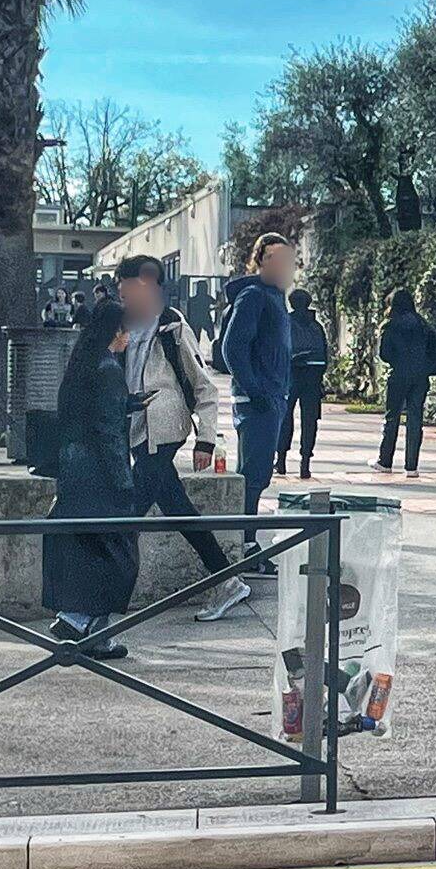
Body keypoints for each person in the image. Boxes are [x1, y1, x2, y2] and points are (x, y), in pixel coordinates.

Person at [112, 255, 246, 624]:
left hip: (166, 423)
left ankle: (99, 610)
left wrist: (205, 438)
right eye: (123, 288)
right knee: (178, 508)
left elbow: (204, 387)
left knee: (128, 516)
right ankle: (227, 579)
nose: (126, 295)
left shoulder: (172, 326)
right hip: (139, 429)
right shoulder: (124, 326)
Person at [43, 298, 138, 660]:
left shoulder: (83, 362)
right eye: (125, 329)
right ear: (115, 331)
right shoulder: (109, 369)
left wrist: (128, 403)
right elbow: (108, 431)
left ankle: (93, 632)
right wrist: (123, 480)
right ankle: (79, 619)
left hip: (74, 472)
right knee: (119, 557)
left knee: (91, 553)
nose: (129, 337)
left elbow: (85, 412)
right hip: (102, 476)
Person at [218, 231, 295, 556]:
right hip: (257, 400)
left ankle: (246, 544)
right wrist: (256, 389)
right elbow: (232, 347)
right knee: (252, 475)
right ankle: (245, 547)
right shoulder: (254, 296)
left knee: (258, 474)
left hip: (271, 398)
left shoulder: (275, 298)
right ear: (260, 261)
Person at [371, 289, 436, 478]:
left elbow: (384, 354)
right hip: (420, 377)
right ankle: (412, 466)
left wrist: (398, 360)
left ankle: (385, 461)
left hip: (399, 375)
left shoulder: (391, 325)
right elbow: (435, 350)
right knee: (415, 419)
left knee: (392, 417)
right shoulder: (423, 325)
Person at [275, 289, 328, 481]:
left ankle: (280, 459)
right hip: (313, 375)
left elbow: (279, 348)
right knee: (310, 420)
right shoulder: (316, 326)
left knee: (285, 417)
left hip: (291, 374)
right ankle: (305, 462)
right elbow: (326, 354)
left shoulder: (285, 323)